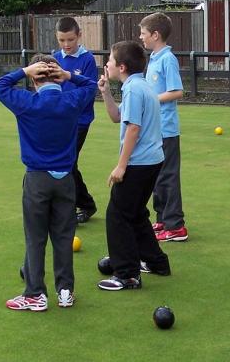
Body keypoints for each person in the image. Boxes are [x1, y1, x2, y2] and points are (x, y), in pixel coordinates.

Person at [0, 54, 97, 311]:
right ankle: (65, 291)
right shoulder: (71, 100)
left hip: (37, 179)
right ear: (57, 77)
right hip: (66, 179)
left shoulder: (27, 102)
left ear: (34, 80)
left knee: (36, 238)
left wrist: (24, 71)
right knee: (63, 236)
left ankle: (35, 294)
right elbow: (91, 86)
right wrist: (69, 75)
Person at [97, 41, 171, 291]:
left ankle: (127, 273)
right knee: (136, 213)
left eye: (109, 60)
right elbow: (117, 117)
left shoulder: (134, 90)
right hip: (152, 161)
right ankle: (157, 262)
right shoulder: (140, 86)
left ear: (122, 66)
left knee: (117, 215)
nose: (106, 64)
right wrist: (106, 93)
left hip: (139, 163)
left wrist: (121, 166)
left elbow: (133, 128)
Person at [139, 12, 188, 242]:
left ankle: (176, 226)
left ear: (155, 35)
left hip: (167, 129)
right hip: (154, 128)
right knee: (157, 175)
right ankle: (162, 219)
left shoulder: (168, 59)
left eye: (144, 33)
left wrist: (152, 99)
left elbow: (177, 91)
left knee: (168, 176)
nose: (141, 37)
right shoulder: (155, 58)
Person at [53, 17, 98, 224]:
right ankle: (85, 204)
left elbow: (88, 92)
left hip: (80, 121)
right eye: (62, 40)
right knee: (67, 163)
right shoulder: (54, 57)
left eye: (70, 39)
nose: (66, 44)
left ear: (79, 35)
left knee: (68, 163)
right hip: (60, 121)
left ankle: (76, 207)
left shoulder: (87, 59)